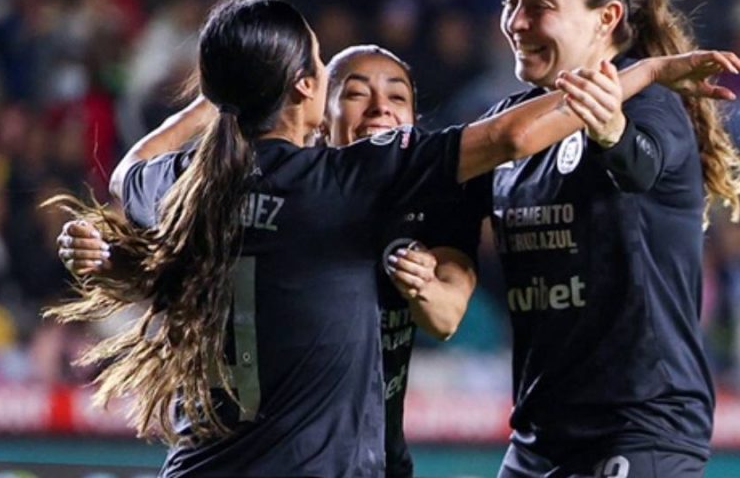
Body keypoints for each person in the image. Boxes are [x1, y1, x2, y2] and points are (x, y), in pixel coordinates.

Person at [47, 0, 737, 478]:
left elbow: (127, 169)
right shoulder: (343, 184)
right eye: (329, 71)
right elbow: (513, 134)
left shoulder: (177, 185)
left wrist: (221, 94)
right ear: (306, 89)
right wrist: (637, 72)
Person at [62, 43, 481, 478]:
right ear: (318, 113)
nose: (380, 109)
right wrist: (108, 259)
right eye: (356, 94)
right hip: (261, 453)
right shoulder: (285, 193)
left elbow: (446, 316)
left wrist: (424, 287)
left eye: (398, 97)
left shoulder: (430, 204)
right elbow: (166, 266)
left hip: (368, 458)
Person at [417, 0, 740, 478]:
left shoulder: (650, 107)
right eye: (509, 1)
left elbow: (638, 166)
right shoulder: (503, 125)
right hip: (538, 440)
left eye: (538, 5)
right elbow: (452, 262)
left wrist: (612, 131)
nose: (516, 22)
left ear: (607, 18)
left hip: (638, 433)